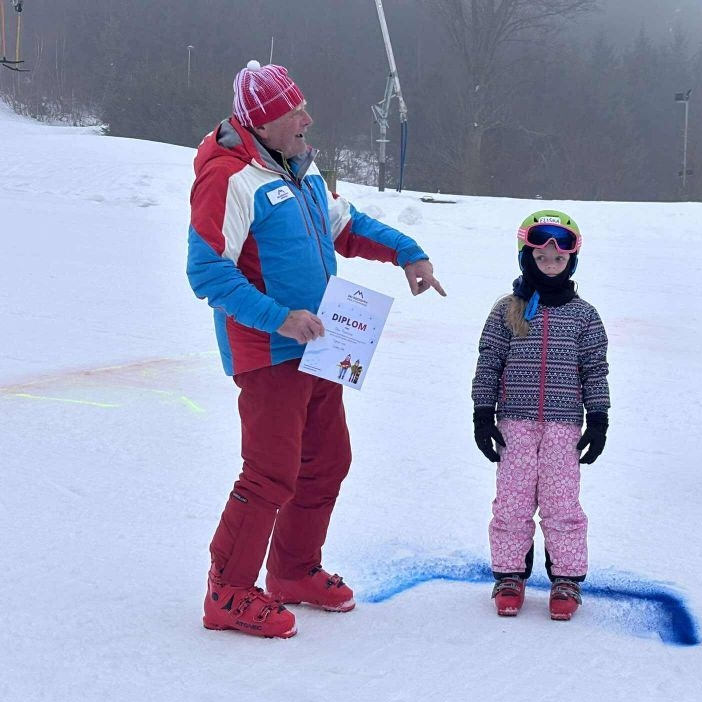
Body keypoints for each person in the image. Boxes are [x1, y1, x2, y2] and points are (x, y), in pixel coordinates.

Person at [188, 60, 445, 639]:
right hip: (269, 353)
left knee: (327, 460)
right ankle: (227, 592)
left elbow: (342, 227)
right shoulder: (229, 177)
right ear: (263, 121)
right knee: (270, 472)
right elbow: (207, 272)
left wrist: (408, 252)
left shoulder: (298, 167)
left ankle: (293, 571)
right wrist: (280, 319)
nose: (307, 118)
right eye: (293, 112)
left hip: (321, 347)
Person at [471, 210, 610, 621]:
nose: (550, 266)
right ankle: (510, 575)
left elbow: (595, 370)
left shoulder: (584, 315)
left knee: (562, 503)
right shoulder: (506, 310)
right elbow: (488, 363)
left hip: (565, 425)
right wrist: (482, 415)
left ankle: (566, 578)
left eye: (559, 260)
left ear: (571, 262)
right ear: (526, 258)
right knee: (511, 503)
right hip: (513, 422)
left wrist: (598, 419)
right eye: (541, 258)